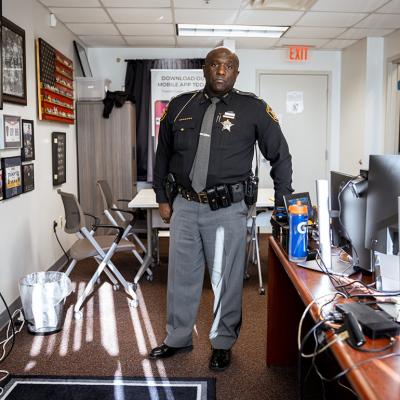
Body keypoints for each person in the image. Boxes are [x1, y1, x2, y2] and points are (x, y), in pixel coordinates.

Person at [151, 46, 293, 371]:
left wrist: (284, 201)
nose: (220, 70)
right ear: (204, 69)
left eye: (228, 66)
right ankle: (177, 338)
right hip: (185, 205)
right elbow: (163, 156)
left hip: (228, 208)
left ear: (236, 73)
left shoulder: (254, 109)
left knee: (225, 279)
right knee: (180, 277)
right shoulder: (179, 106)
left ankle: (222, 342)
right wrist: (162, 196)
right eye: (214, 64)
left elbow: (280, 156)